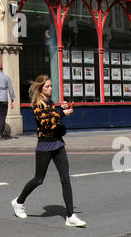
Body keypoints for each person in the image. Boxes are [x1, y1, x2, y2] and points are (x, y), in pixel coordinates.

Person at [11, 75, 86, 227]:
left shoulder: (50, 102)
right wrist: (62, 114)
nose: (50, 89)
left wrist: (61, 109)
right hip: (44, 146)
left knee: (65, 179)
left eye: (51, 86)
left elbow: (54, 118)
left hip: (58, 143)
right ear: (40, 88)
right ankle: (18, 202)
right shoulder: (37, 105)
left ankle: (70, 215)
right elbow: (46, 124)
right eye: (47, 86)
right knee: (38, 179)